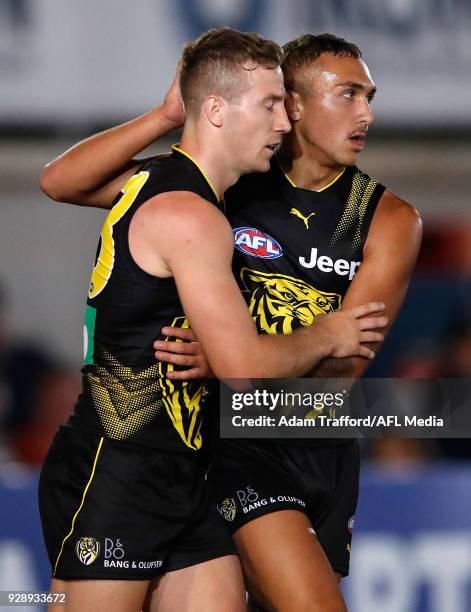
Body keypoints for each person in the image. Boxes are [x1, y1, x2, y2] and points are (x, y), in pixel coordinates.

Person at [39, 29, 387, 612]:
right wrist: (329, 330)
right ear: (218, 111)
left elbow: (59, 180)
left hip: (185, 473)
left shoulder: (169, 184)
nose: (283, 123)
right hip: (117, 471)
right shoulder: (189, 213)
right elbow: (244, 369)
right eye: (270, 105)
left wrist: (164, 116)